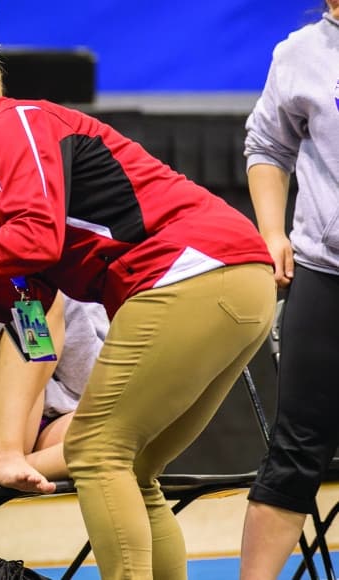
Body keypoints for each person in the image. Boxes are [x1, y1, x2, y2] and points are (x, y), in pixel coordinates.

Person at [0, 25, 277, 580]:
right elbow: (30, 302)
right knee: (132, 469)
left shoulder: (13, 124)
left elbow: (38, 239)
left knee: (95, 452)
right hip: (234, 282)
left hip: (193, 274)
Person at [239, 2, 339, 578]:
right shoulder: (301, 52)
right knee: (297, 448)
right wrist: (272, 231)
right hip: (328, 274)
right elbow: (269, 147)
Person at [0, 211, 109, 487]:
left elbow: (88, 383)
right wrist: (8, 282)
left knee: (127, 432)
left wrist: (52, 280)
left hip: (46, 424)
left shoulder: (81, 251)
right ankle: (2, 454)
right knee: (34, 304)